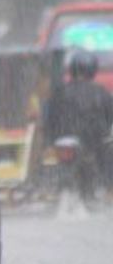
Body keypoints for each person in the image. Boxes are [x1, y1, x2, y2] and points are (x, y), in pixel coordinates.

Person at [46, 48, 113, 199]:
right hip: (92, 141)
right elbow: (109, 117)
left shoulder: (59, 92)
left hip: (62, 139)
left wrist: (52, 138)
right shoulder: (101, 92)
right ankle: (109, 189)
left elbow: (50, 118)